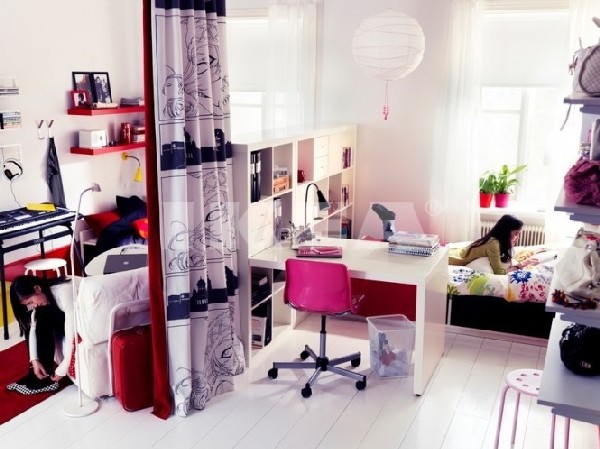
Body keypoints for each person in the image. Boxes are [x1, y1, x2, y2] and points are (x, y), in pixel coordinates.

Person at [7, 275, 73, 395]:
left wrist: (63, 369)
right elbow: (32, 329)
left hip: (76, 322)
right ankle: (37, 373)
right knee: (34, 319)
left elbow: (71, 336)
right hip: (62, 320)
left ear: (37, 289)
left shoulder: (63, 293)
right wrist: (34, 360)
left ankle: (44, 380)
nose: (34, 305)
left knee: (40, 318)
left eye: (31, 301)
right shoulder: (43, 298)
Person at [448, 214, 538, 275]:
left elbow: (507, 257)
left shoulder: (497, 241)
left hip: (456, 252)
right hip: (451, 258)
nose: (518, 237)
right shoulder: (493, 244)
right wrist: (521, 265)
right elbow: (499, 272)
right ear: (506, 232)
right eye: (516, 233)